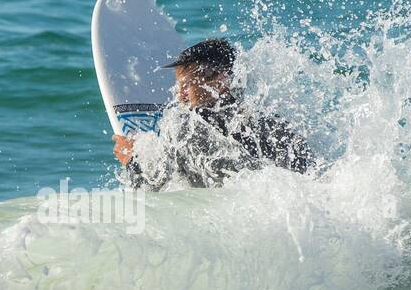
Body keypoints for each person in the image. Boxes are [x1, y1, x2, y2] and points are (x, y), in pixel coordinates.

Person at [112, 38, 315, 189]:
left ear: (219, 80)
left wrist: (131, 159)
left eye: (186, 85)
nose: (179, 94)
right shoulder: (268, 122)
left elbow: (151, 188)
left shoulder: (189, 126)